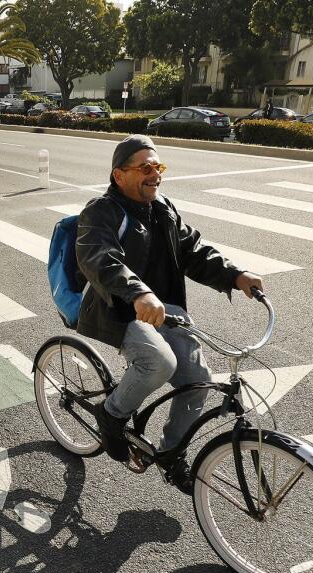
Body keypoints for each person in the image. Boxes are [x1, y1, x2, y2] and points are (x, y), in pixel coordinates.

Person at [75, 134, 263, 494]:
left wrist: (235, 275)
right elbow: (99, 259)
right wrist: (139, 291)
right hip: (118, 308)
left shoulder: (163, 208)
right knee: (158, 363)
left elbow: (193, 250)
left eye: (158, 166)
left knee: (198, 379)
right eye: (145, 167)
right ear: (119, 175)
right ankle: (111, 414)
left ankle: (170, 452)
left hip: (164, 309)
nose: (155, 174)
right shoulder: (101, 211)